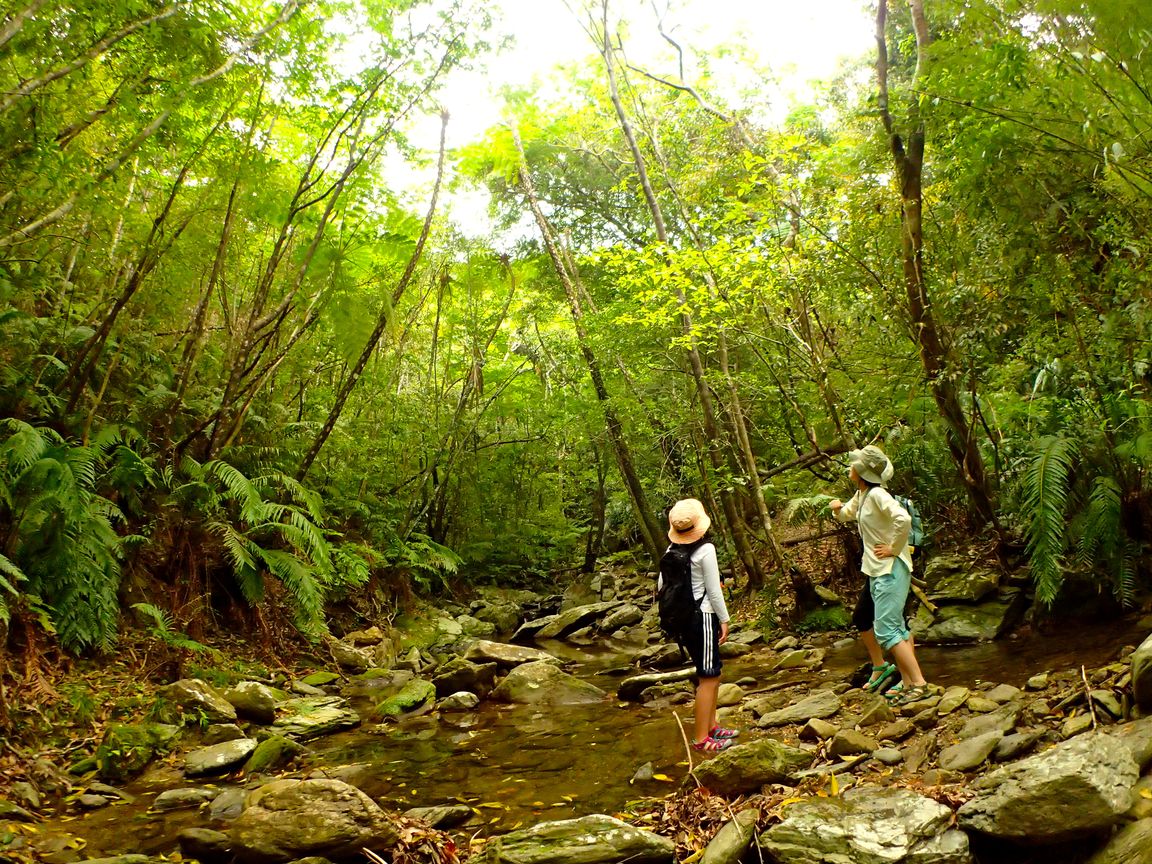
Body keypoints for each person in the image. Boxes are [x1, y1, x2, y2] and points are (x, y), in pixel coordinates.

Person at [830, 446, 931, 705]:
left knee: (887, 630)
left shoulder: (877, 494)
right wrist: (836, 509)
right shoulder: (862, 494)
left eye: (854, 466)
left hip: (890, 569)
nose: (850, 468)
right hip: (876, 570)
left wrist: (893, 548)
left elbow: (903, 519)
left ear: (861, 472)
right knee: (895, 627)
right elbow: (846, 515)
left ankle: (919, 684)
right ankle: (909, 683)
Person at [663, 498, 738, 752]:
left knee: (708, 673)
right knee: (710, 676)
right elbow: (714, 592)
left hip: (684, 620)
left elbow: (661, 587)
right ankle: (701, 739)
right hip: (703, 617)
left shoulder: (670, 551)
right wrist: (725, 619)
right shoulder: (706, 550)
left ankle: (712, 724)